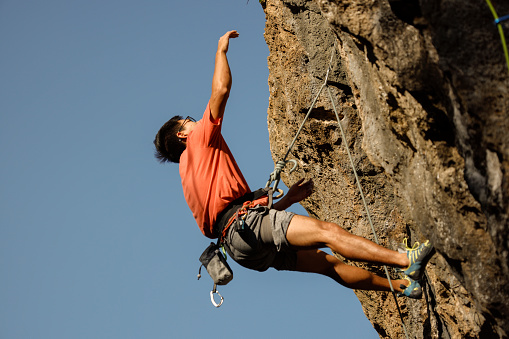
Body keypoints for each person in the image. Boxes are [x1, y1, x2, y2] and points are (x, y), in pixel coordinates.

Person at [154, 30, 434, 299]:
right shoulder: (199, 139)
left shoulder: (187, 176)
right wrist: (221, 50)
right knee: (329, 233)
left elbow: (230, 215)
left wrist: (287, 201)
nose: (195, 121)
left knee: (327, 264)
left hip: (241, 248)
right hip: (248, 226)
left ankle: (403, 287)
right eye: (188, 120)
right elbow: (221, 90)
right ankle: (405, 260)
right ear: (182, 133)